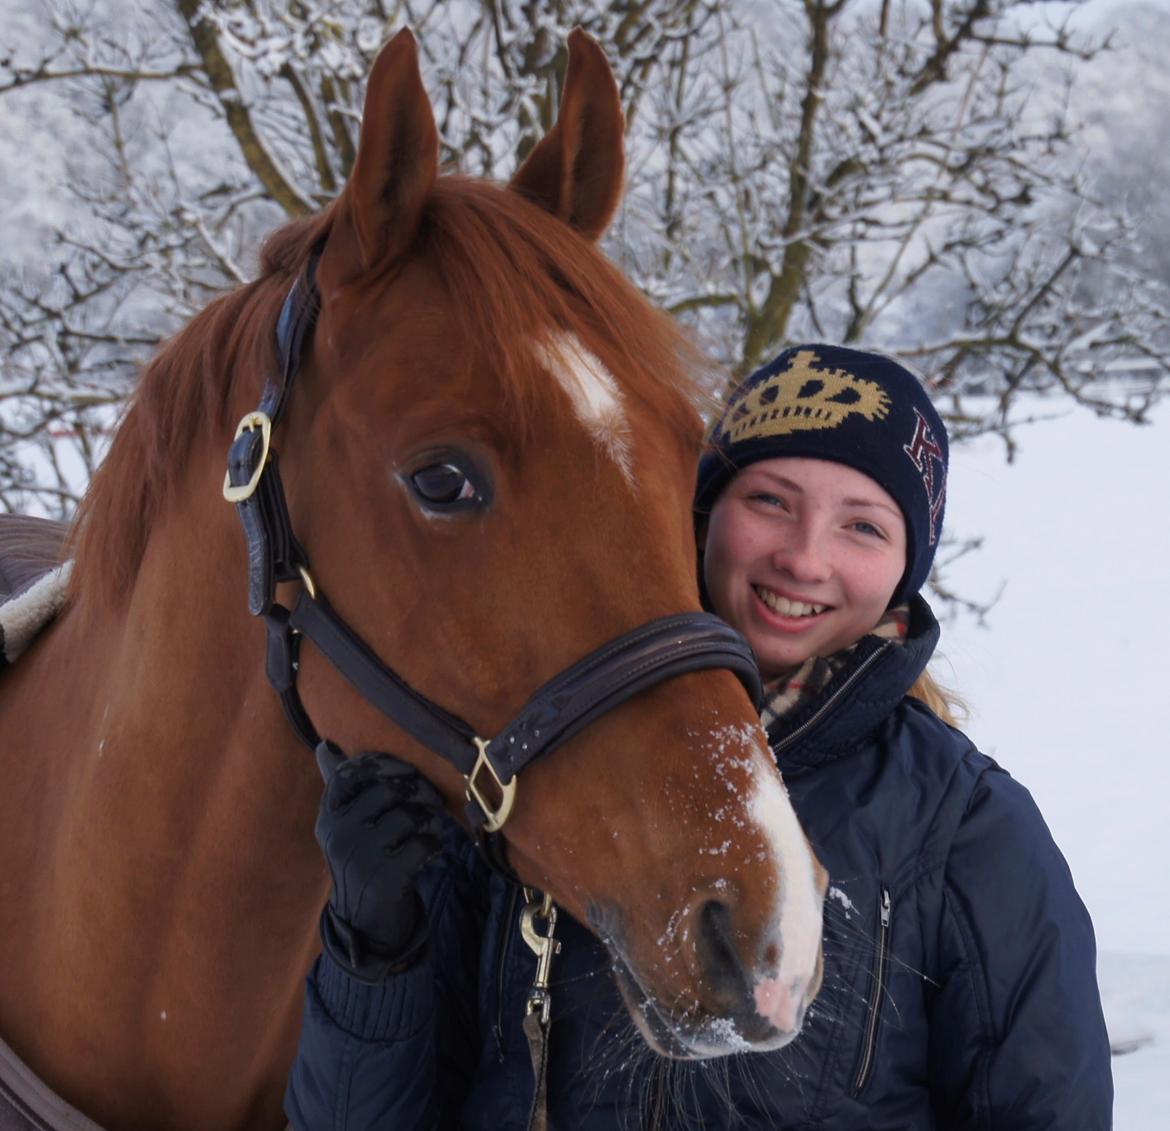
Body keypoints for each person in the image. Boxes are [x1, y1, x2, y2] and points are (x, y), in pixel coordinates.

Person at [285, 344, 1113, 1129]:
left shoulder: (967, 828)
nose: (803, 557)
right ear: (699, 515)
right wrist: (375, 947)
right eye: (770, 501)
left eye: (862, 527)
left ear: (905, 571)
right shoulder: (527, 758)